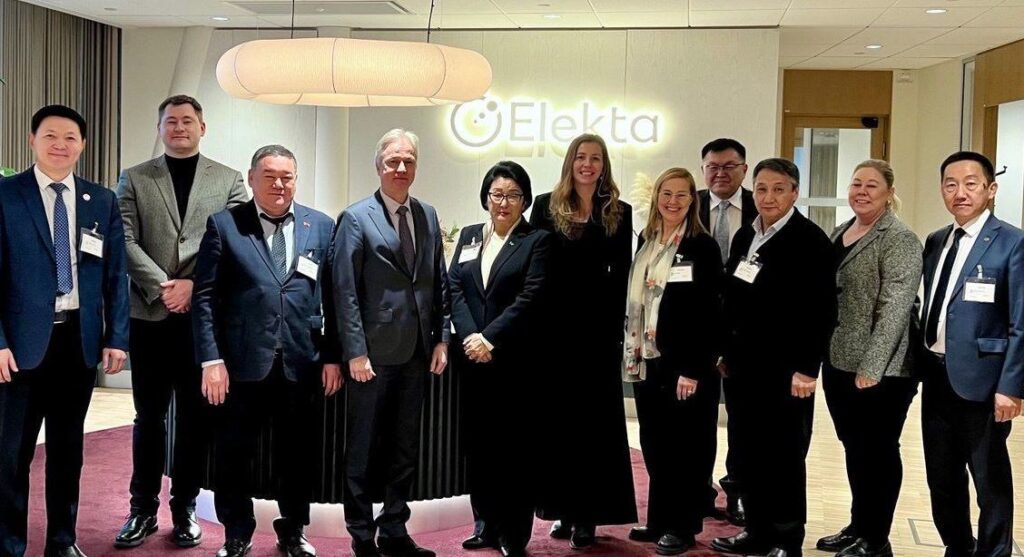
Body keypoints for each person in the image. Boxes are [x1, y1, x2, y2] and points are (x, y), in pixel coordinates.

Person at [191, 145, 340, 557]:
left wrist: (332, 355)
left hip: (301, 362)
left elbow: (333, 296)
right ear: (252, 178)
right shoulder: (225, 225)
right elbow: (204, 298)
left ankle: (292, 530)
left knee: (297, 455)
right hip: (241, 365)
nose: (279, 184)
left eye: (287, 177)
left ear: (296, 180)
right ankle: (237, 532)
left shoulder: (320, 226)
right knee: (234, 453)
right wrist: (211, 360)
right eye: (270, 176)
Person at [114, 94, 247, 549]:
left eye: (187, 121)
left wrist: (194, 286)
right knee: (148, 418)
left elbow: (237, 243)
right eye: (170, 121)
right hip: (149, 316)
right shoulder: (135, 177)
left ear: (202, 127)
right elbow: (123, 238)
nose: (179, 127)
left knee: (194, 420)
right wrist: (164, 286)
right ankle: (141, 509)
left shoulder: (229, 180)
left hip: (201, 320)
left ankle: (184, 508)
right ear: (160, 128)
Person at [0, 105, 130, 557]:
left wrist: (117, 337)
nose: (60, 144)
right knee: (12, 454)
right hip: (20, 347)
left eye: (70, 137)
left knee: (67, 450)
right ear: (32, 140)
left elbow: (115, 274)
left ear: (83, 145)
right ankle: (9, 544)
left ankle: (62, 541)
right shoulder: (6, 195)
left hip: (77, 342)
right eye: (50, 135)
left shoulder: (101, 200)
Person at [331, 129, 449, 557]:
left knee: (405, 448)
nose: (401, 168)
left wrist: (442, 338)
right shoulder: (355, 217)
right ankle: (362, 535)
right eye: (393, 161)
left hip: (417, 353)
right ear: (378, 166)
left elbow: (438, 282)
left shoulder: (428, 214)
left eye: (409, 161)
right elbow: (344, 289)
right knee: (363, 448)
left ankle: (395, 529)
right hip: (372, 356)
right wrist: (355, 351)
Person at [711, 158, 835, 557]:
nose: (769, 197)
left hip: (786, 372)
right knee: (748, 453)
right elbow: (734, 297)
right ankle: (757, 531)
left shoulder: (810, 240)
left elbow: (821, 311)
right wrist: (725, 351)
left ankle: (786, 539)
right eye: (762, 189)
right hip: (743, 367)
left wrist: (807, 368)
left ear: (795, 192)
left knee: (783, 457)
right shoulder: (748, 235)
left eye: (779, 189)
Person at [531, 133, 637, 550]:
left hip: (598, 335)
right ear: (570, 162)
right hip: (554, 332)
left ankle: (588, 516)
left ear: (604, 165)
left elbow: (622, 273)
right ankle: (563, 508)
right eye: (580, 157)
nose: (587, 164)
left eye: (595, 158)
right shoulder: (546, 206)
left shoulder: (619, 212)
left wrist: (615, 332)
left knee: (595, 426)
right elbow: (536, 268)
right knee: (559, 425)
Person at [920, 151, 1022, 557]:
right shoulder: (936, 240)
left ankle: (995, 552)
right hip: (936, 375)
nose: (959, 193)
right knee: (941, 476)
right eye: (950, 184)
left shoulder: (1013, 243)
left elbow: (1020, 322)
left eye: (970, 184)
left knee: (989, 479)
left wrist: (1011, 387)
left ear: (990, 189)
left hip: (984, 381)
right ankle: (958, 547)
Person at [817, 160, 921, 557]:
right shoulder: (841, 231)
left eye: (871, 185)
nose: (861, 191)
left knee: (878, 451)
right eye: (856, 183)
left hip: (882, 370)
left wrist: (872, 367)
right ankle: (858, 526)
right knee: (855, 448)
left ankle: (876, 540)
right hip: (840, 359)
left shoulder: (899, 238)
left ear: (889, 193)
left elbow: (896, 308)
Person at [449, 161, 550, 557]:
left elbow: (532, 296)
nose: (504, 202)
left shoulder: (536, 241)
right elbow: (454, 286)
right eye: (497, 194)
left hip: (514, 362)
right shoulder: (471, 235)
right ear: (486, 197)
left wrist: (489, 338)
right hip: (473, 361)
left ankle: (513, 533)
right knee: (479, 447)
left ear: (525, 200)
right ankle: (485, 525)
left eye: (512, 195)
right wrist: (470, 336)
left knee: (514, 451)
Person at [623, 168, 723, 555]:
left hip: (684, 366)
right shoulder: (647, 240)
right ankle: (660, 519)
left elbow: (709, 314)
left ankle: (683, 527)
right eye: (667, 193)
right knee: (655, 444)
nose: (673, 201)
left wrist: (694, 369)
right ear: (657, 197)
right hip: (647, 361)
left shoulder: (702, 246)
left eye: (682, 195)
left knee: (685, 451)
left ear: (692, 200)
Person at [697, 137, 757, 525]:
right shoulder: (687, 204)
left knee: (742, 419)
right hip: (697, 332)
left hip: (743, 334)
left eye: (729, 166)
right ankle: (698, 490)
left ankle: (738, 491)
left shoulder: (760, 205)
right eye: (713, 167)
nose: (720, 173)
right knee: (697, 418)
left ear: (744, 170)